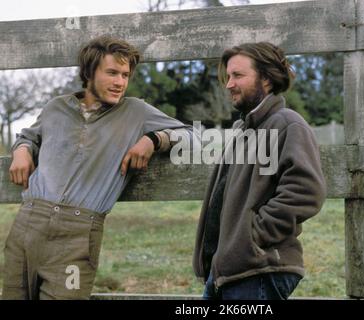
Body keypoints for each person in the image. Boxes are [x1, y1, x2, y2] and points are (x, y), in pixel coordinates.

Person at [3, 36, 193, 300]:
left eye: (125, 75)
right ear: (89, 73)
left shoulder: (136, 112)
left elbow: (190, 134)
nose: (120, 82)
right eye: (112, 73)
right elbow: (29, 136)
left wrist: (153, 140)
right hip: (27, 226)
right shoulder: (55, 107)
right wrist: (22, 150)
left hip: (77, 236)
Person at [193, 42, 326, 300]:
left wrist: (252, 237)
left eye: (238, 75)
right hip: (229, 271)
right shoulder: (246, 130)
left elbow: (306, 192)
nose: (229, 84)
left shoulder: (287, 124)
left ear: (266, 78)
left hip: (258, 271)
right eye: (228, 76)